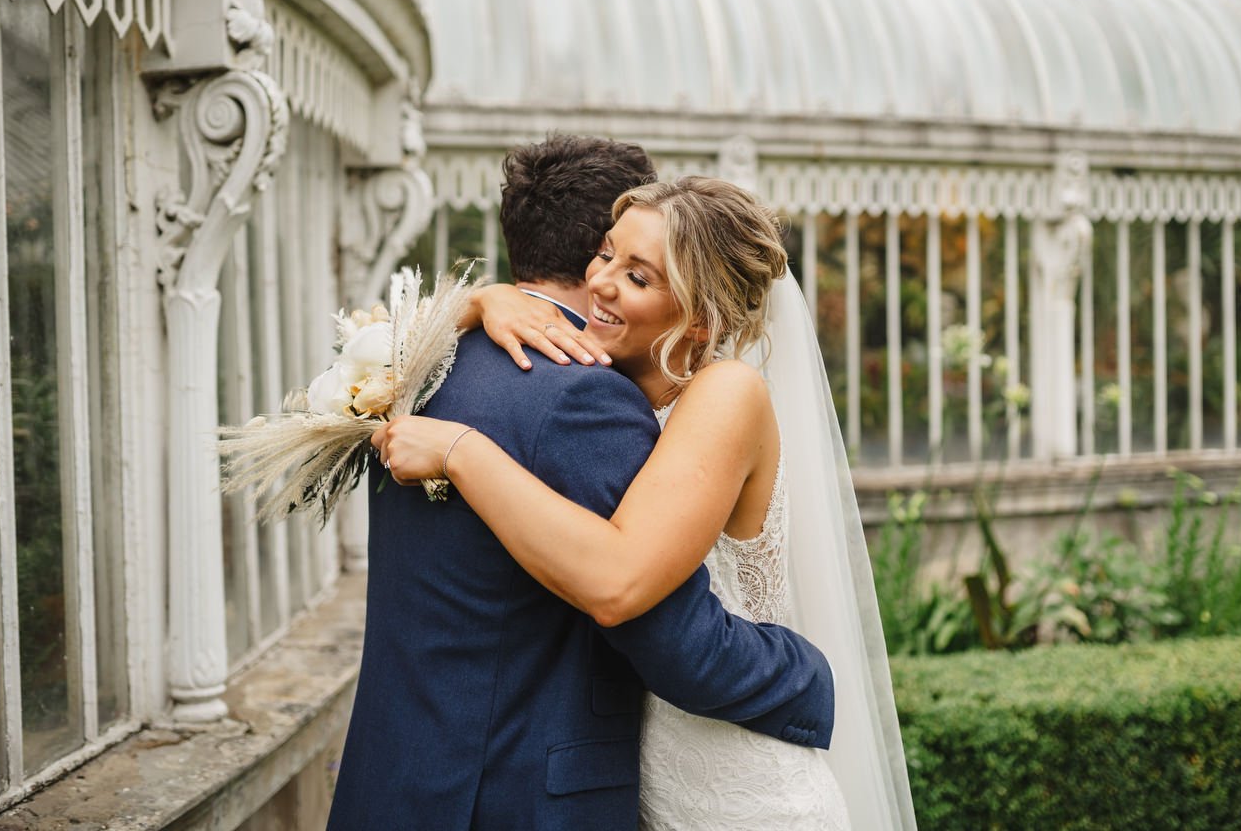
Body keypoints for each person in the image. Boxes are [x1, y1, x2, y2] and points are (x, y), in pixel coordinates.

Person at [376, 176, 917, 829]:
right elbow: (380, 338)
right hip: (646, 783)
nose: (600, 282)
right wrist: (482, 299)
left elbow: (619, 579)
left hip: (738, 790)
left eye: (638, 277)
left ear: (699, 319)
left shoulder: (726, 393)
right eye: (605, 254)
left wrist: (462, 453)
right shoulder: (611, 388)